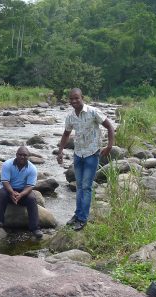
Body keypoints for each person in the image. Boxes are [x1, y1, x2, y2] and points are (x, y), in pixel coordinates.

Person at [56, 88, 115, 231]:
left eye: (77, 98)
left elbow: (110, 127)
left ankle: (82, 219)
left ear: (82, 98)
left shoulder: (94, 112)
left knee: (86, 187)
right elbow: (66, 134)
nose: (74, 101)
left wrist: (109, 146)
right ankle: (77, 214)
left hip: (92, 154)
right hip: (78, 154)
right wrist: (60, 151)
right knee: (79, 186)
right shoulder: (70, 117)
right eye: (71, 99)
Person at [0, 146, 43, 238]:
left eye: (25, 155)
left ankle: (35, 228)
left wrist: (21, 195)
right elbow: (5, 181)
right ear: (16, 155)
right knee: (2, 193)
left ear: (28, 156)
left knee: (32, 198)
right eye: (20, 155)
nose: (22, 157)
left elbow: (30, 186)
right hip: (8, 189)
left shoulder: (32, 168)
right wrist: (12, 192)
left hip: (23, 191)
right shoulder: (7, 164)